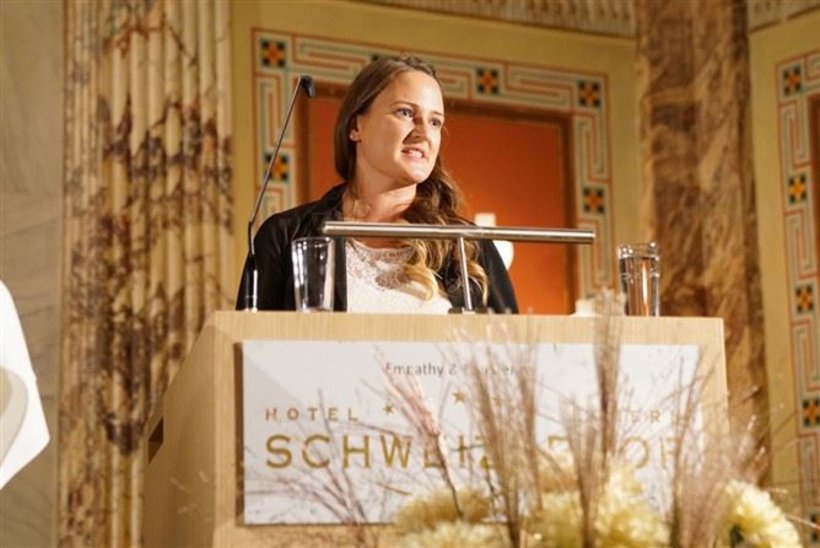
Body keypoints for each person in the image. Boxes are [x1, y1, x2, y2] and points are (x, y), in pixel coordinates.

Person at [236, 55, 518, 314]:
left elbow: (513, 347)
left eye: (435, 122)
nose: (423, 133)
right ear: (355, 126)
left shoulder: (466, 245)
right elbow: (248, 345)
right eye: (405, 113)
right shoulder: (286, 237)